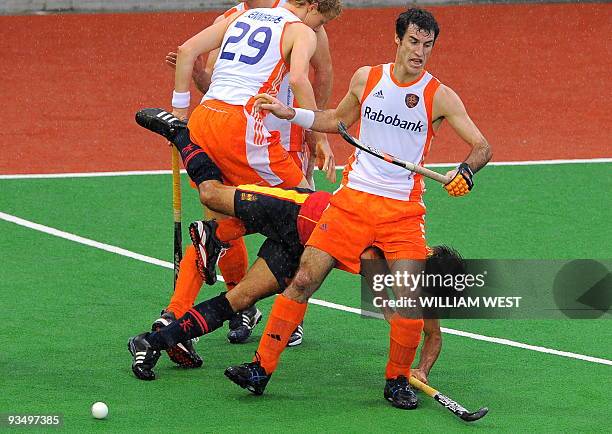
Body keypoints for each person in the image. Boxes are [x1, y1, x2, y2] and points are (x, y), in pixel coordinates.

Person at [224, 7, 492, 410]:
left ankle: (396, 381)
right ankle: (260, 368)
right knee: (302, 281)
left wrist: (466, 172)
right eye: (414, 42)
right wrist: (290, 112)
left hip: (402, 213)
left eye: (428, 45)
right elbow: (336, 120)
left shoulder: (440, 96)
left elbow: (482, 146)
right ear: (398, 41)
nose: (420, 52)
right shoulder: (368, 78)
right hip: (351, 203)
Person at [128, 113, 451, 386]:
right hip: (297, 210)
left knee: (240, 298)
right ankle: (182, 136)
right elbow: (381, 293)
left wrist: (420, 369)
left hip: (300, 248)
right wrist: (395, 325)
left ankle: (152, 342)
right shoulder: (391, 250)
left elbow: (433, 337)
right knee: (211, 195)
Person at [152, 0, 340, 354]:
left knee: (226, 209)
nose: (319, 27)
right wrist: (318, 133)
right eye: (320, 20)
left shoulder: (240, 17)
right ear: (312, 6)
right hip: (255, 132)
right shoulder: (299, 29)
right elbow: (301, 78)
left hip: (208, 122)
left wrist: (178, 119)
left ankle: (180, 317)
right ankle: (272, 312)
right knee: (307, 215)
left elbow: (190, 52)